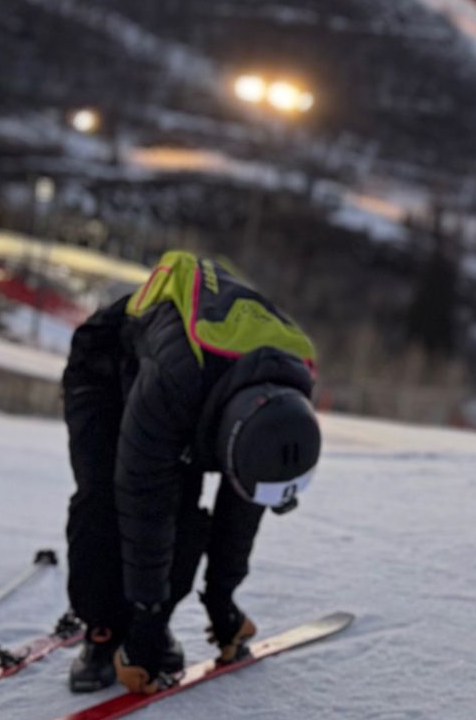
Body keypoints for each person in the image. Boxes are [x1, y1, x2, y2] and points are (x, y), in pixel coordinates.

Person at [62, 250, 322, 695]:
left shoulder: (285, 399)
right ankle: (103, 630)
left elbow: (243, 505)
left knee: (185, 516)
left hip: (196, 391)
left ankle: (153, 621)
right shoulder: (178, 381)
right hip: (108, 367)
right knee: (106, 501)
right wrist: (140, 620)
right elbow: (142, 501)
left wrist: (222, 601)